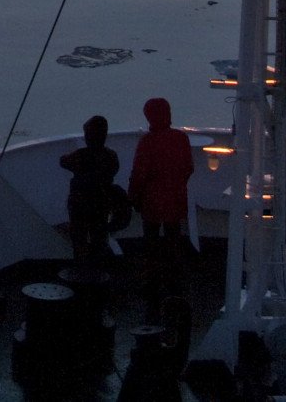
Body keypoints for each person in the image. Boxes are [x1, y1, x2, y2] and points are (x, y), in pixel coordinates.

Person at [127, 97, 193, 314]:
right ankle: (174, 283)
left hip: (153, 202)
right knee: (173, 240)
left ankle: (152, 284)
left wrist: (133, 197)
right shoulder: (181, 138)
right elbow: (188, 168)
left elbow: (139, 174)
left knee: (152, 244)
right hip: (175, 199)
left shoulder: (148, 142)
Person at [59, 114, 120, 265]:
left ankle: (82, 267)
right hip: (101, 204)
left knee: (79, 237)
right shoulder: (111, 156)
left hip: (80, 205)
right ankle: (98, 267)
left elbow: (63, 161)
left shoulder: (81, 156)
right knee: (99, 236)